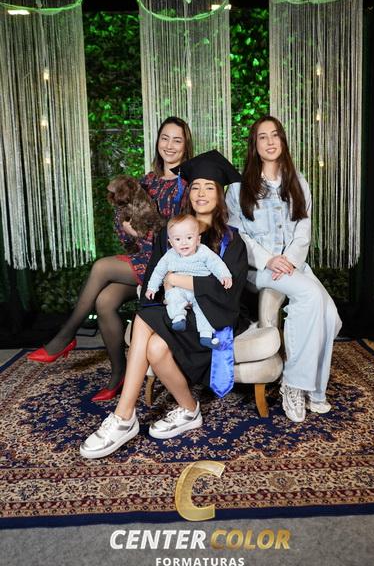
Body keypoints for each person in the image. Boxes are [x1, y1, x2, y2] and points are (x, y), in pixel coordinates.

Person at [79, 150, 248, 459]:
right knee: (153, 339)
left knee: (146, 324)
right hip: (173, 309)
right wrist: (165, 287)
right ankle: (188, 410)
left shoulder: (232, 241)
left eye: (209, 187)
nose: (201, 193)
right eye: (196, 187)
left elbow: (228, 293)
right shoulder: (171, 232)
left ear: (220, 195)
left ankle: (123, 416)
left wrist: (177, 279)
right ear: (188, 192)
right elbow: (153, 282)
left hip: (211, 317)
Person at [27, 116, 193, 402]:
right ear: (157, 141)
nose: (169, 145)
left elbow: (180, 236)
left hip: (166, 263)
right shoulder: (146, 181)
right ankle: (119, 374)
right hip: (141, 259)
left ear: (185, 146)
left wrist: (141, 234)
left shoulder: (187, 187)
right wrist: (128, 230)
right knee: (104, 301)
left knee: (101, 267)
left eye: (177, 140)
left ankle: (65, 336)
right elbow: (124, 224)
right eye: (165, 138)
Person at [225, 115, 342, 424]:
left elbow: (303, 231)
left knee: (331, 315)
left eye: (275, 135)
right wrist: (268, 259)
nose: (270, 141)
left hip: (293, 264)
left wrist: (288, 260)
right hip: (259, 269)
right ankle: (293, 383)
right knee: (310, 297)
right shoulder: (238, 188)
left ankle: (314, 390)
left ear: (283, 141)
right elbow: (238, 236)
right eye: (262, 137)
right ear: (254, 145)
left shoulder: (298, 182)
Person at [145, 214, 233, 348]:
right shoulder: (169, 256)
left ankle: (206, 335)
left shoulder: (203, 252)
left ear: (198, 239)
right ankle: (179, 317)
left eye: (189, 238)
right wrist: (152, 287)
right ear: (171, 243)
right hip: (180, 290)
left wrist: (224, 276)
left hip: (199, 291)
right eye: (178, 239)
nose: (184, 243)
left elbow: (216, 264)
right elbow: (158, 272)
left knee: (204, 310)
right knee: (172, 295)